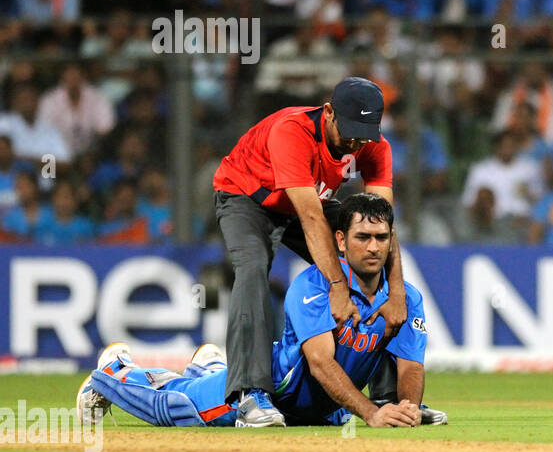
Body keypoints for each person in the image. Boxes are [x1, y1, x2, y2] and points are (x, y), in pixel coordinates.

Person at [76, 194, 446, 429]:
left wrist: (408, 409)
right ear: (340, 241)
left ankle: (211, 365)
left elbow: (411, 364)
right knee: (172, 406)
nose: (373, 247)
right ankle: (114, 371)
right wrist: (371, 413)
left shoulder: (405, 298)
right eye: (362, 238)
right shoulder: (315, 285)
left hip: (324, 411)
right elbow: (320, 363)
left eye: (382, 238)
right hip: (268, 393)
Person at [211, 77, 407, 426]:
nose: (354, 142)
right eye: (349, 131)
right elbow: (311, 216)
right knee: (253, 267)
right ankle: (249, 395)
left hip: (308, 201)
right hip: (247, 197)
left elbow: (382, 225)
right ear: (328, 112)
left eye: (364, 134)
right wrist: (336, 286)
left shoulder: (373, 144)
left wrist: (398, 292)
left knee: (368, 256)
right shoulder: (293, 131)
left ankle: (387, 399)